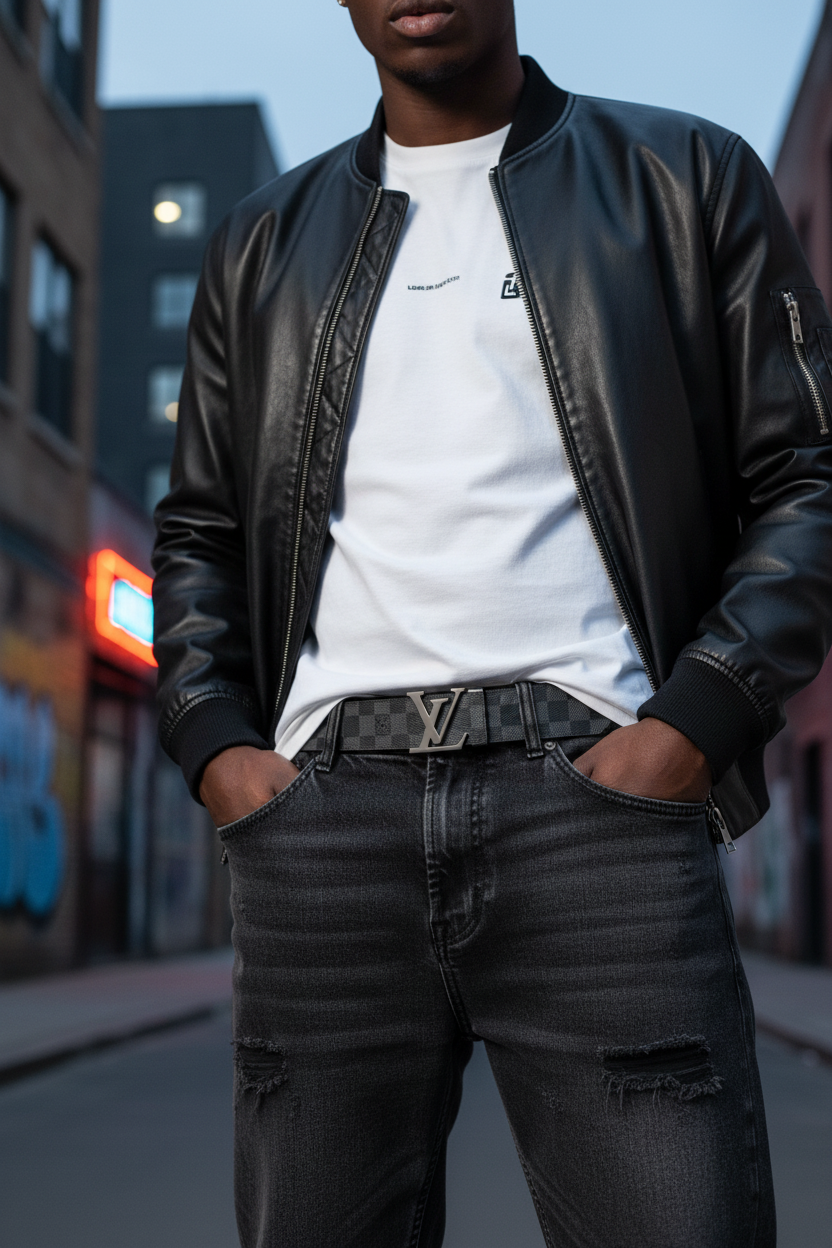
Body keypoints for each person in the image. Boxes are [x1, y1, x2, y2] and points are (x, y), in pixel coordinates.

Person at [152, 2, 832, 1243]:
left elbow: (806, 482)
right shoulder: (259, 243)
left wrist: (693, 721)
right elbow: (200, 528)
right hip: (321, 821)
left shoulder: (684, 179)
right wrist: (216, 746)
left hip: (601, 816)